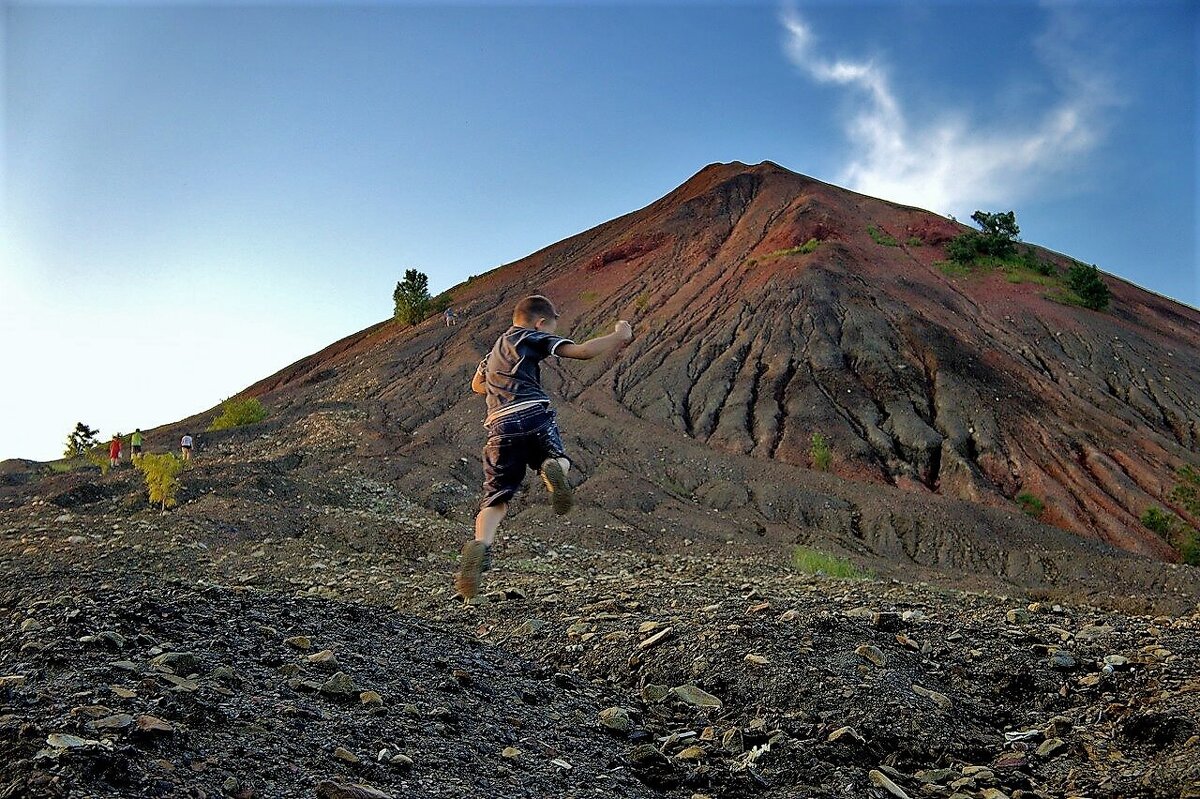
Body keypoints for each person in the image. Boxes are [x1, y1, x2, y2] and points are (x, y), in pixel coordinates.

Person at [455, 294, 633, 599]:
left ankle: (480, 547)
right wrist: (620, 335)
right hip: (532, 412)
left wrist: (499, 384)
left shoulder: (494, 350)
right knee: (557, 457)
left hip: (499, 427)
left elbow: (477, 385)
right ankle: (553, 468)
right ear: (541, 323)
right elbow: (582, 351)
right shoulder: (532, 336)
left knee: (495, 500)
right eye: (551, 326)